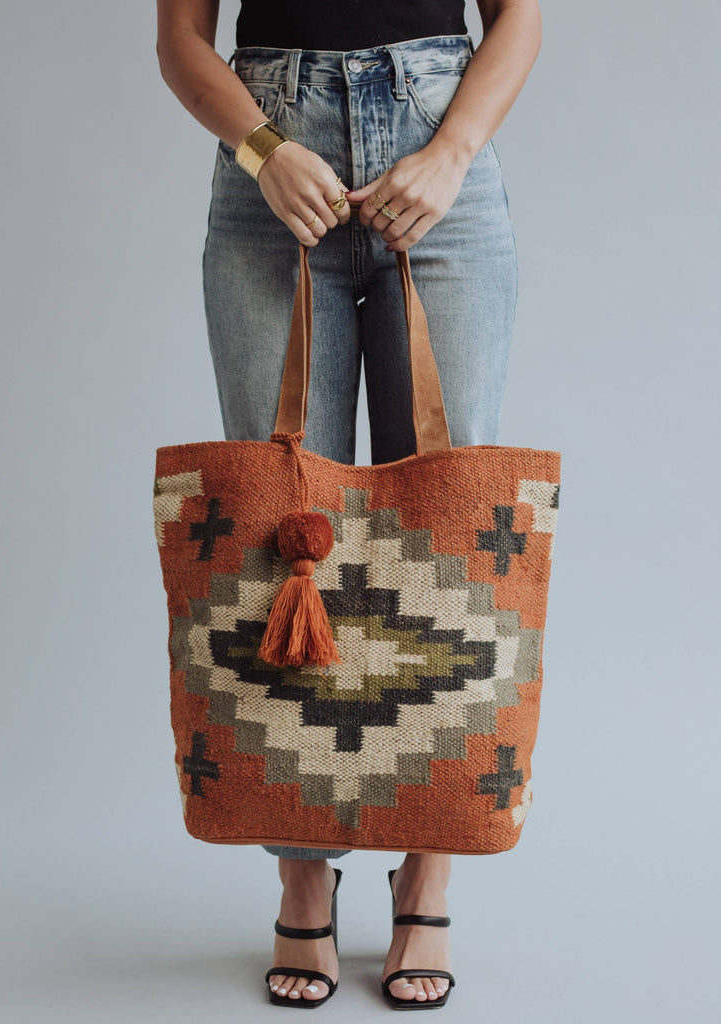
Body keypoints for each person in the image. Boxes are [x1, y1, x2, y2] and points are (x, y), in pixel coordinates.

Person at [156, 0, 542, 1008]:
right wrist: (262, 149)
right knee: (278, 532)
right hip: (272, 171)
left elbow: (519, 15)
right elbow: (181, 39)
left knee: (451, 535)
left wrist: (450, 152)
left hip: (438, 158)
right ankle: (301, 876)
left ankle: (427, 872)